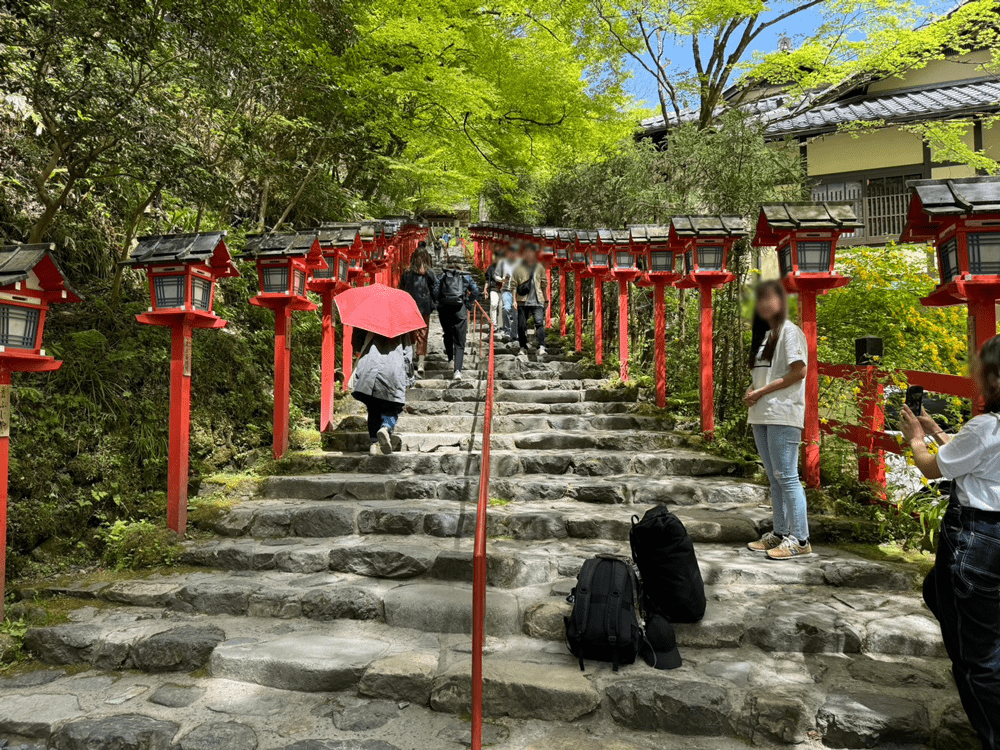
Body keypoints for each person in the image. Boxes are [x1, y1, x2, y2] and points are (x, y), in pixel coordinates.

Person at [901, 334, 1000, 750]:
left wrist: (915, 438)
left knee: (977, 656)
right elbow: (973, 463)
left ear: (993, 377)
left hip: (978, 535)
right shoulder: (985, 432)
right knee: (938, 592)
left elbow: (932, 469)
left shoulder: (986, 426)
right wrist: (940, 431)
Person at [744, 280, 810, 560]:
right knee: (774, 477)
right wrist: (751, 390)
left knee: (787, 476)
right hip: (761, 412)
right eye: (760, 299)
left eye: (769, 298)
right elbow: (763, 376)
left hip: (783, 412)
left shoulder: (790, 332)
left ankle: (801, 539)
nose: (763, 304)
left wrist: (761, 391)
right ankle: (781, 533)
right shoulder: (765, 335)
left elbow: (799, 372)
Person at [350, 327, 415, 455]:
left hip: (370, 369)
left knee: (373, 407)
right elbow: (407, 353)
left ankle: (374, 443)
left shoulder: (367, 320)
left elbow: (357, 345)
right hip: (393, 370)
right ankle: (386, 427)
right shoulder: (401, 324)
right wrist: (409, 377)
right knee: (393, 405)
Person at [437, 259, 480, 380]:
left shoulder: (443, 276)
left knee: (447, 333)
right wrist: (468, 302)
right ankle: (457, 371)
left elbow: (435, 292)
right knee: (460, 341)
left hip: (445, 310)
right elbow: (476, 291)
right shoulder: (466, 276)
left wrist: (441, 300)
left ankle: (450, 358)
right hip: (460, 310)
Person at [399, 247, 438, 377]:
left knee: (410, 334)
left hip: (409, 306)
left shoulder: (407, 272)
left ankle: (409, 360)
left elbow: (401, 288)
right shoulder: (429, 272)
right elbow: (435, 289)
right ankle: (421, 362)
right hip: (424, 307)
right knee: (422, 334)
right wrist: (433, 304)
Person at [513, 243, 548, 357]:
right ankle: (523, 346)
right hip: (522, 300)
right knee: (521, 325)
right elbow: (513, 285)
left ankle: (542, 346)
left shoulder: (539, 267)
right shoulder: (518, 268)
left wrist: (546, 300)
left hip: (538, 300)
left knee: (539, 323)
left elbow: (544, 285)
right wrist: (514, 300)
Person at [495, 244, 521, 343]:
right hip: (506, 289)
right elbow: (496, 276)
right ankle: (506, 330)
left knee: (516, 313)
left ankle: (514, 333)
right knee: (506, 308)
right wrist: (502, 280)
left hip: (518, 291)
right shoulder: (502, 263)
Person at [484, 248, 504, 330]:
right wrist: (485, 289)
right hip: (493, 288)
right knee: (494, 304)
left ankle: (500, 324)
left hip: (504, 289)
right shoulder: (491, 268)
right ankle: (493, 323)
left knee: (501, 306)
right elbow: (487, 279)